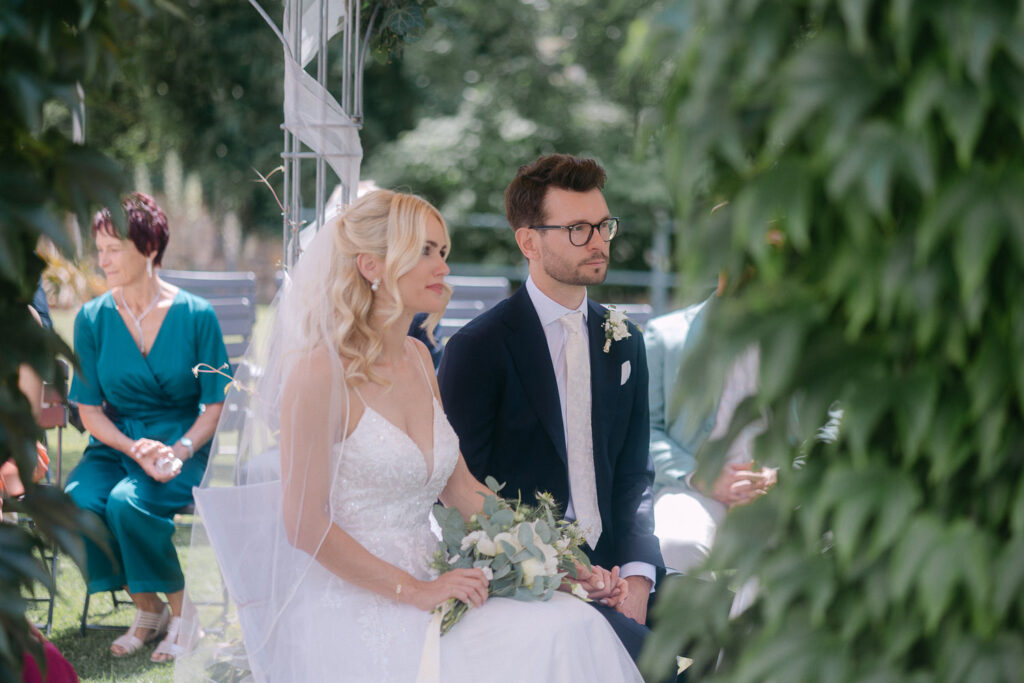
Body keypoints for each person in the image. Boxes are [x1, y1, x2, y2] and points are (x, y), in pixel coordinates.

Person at [179, 190, 642, 682]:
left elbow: (464, 490)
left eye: (443, 251)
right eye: (424, 251)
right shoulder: (318, 373)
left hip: (438, 578)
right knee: (549, 637)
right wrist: (415, 591)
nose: (442, 266)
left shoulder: (420, 360)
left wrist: (558, 560)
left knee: (571, 621)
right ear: (371, 265)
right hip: (362, 600)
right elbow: (303, 524)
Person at [437, 154, 663, 661]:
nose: (599, 240)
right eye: (578, 229)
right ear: (529, 242)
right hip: (533, 582)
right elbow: (455, 492)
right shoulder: (478, 348)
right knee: (667, 664)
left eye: (604, 225)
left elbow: (633, 477)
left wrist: (639, 578)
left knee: (737, 625)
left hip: (621, 570)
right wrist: (558, 573)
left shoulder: (624, 339)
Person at [65, 193, 229, 662]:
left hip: (182, 446)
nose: (103, 260)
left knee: (127, 503)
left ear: (150, 249)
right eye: (100, 249)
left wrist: (179, 449)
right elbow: (89, 409)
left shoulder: (197, 316)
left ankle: (182, 613)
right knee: (76, 503)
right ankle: (151, 608)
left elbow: (215, 405)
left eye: (113, 248)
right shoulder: (92, 319)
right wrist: (132, 448)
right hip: (116, 443)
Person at [645, 299, 777, 574]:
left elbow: (829, 423)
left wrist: (780, 475)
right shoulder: (664, 334)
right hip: (692, 486)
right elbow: (643, 430)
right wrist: (702, 477)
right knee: (676, 544)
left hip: (776, 486)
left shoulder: (798, 336)